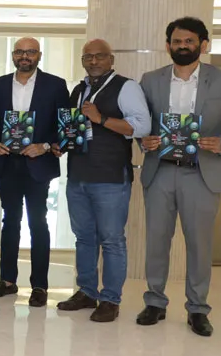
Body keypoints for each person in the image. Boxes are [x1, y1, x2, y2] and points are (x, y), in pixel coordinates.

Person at [136, 17, 221, 337]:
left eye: (189, 41)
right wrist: (144, 141)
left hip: (201, 173)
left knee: (199, 244)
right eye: (177, 41)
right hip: (161, 171)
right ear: (168, 46)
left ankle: (197, 308)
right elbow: (141, 123)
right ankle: (155, 302)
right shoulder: (150, 80)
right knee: (156, 241)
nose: (183, 46)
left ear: (203, 45)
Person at [55, 39, 150, 323]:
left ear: (111, 59)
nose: (93, 61)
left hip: (110, 178)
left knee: (111, 240)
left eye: (99, 56)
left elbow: (142, 127)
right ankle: (86, 291)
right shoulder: (79, 90)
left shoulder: (126, 87)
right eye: (88, 57)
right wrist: (61, 144)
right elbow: (74, 128)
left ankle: (110, 299)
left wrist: (101, 118)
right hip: (78, 176)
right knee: (84, 238)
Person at [0, 37, 70, 307]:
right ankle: (7, 280)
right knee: (10, 222)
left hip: (38, 163)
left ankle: (39, 285)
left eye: (30, 52)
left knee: (38, 223)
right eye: (20, 52)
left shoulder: (55, 85)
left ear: (39, 55)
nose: (25, 56)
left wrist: (44, 146)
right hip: (7, 162)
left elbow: (65, 126)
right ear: (13, 55)